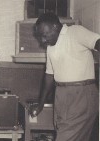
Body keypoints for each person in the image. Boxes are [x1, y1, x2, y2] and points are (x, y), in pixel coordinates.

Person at [29, 12, 100, 141]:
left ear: (55, 26)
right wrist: (40, 103)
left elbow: (97, 42)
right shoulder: (50, 47)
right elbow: (49, 76)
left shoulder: (76, 32)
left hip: (81, 94)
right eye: (41, 37)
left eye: (45, 35)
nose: (43, 40)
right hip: (61, 95)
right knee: (65, 132)